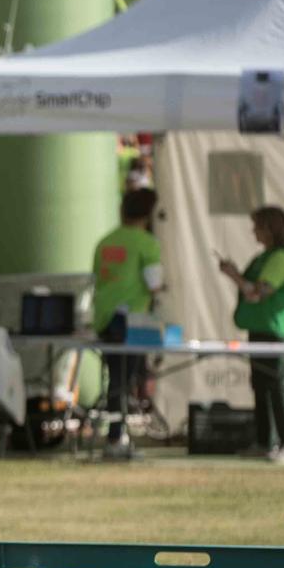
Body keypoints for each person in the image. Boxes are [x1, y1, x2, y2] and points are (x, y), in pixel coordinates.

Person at [218, 205, 284, 464]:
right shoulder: (263, 257)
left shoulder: (280, 258)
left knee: (276, 384)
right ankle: (266, 441)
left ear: (270, 229)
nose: (253, 231)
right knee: (261, 385)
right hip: (258, 329)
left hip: (273, 331)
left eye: (258, 226)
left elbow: (257, 293)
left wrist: (233, 276)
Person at [90, 188, 165, 456]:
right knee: (124, 381)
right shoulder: (146, 243)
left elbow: (98, 279)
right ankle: (115, 439)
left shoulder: (105, 241)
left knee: (117, 380)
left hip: (103, 319)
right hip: (130, 323)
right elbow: (155, 284)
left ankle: (115, 437)